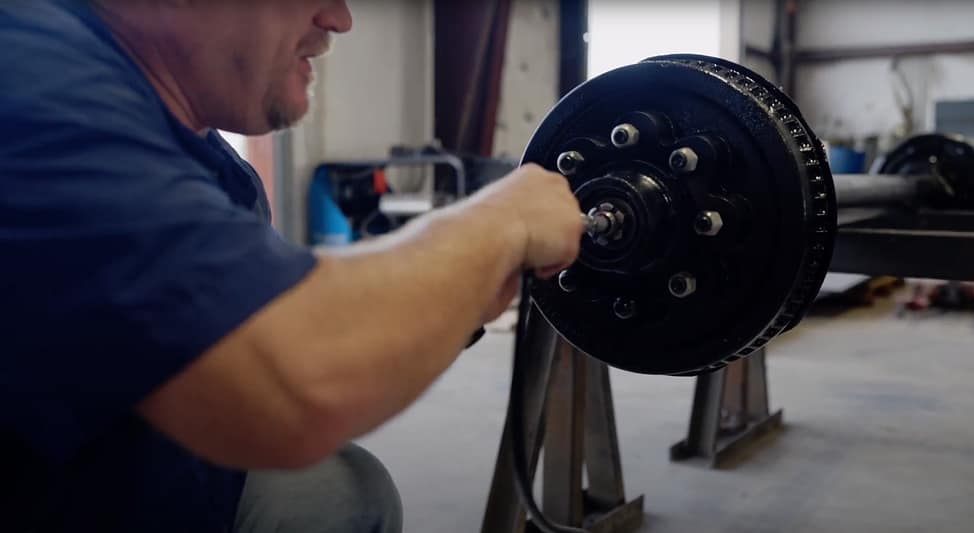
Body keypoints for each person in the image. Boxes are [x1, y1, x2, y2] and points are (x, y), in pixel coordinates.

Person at [0, 1, 584, 532]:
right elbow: (289, 386)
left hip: (141, 477)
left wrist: (457, 294)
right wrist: (500, 222)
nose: (340, 19)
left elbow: (245, 349)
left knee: (345, 492)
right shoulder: (30, 84)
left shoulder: (216, 169)